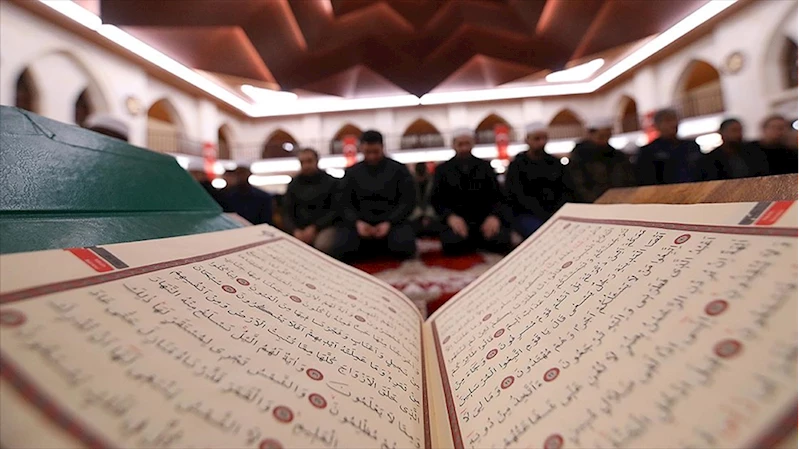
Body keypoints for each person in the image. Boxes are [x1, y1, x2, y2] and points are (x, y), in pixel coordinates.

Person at [330, 130, 417, 261]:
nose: (372, 157)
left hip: (392, 223)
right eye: (368, 152)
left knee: (405, 246)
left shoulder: (399, 169)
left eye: (375, 152)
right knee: (340, 248)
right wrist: (357, 222)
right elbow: (343, 202)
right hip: (360, 224)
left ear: (382, 147)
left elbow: (407, 201)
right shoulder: (352, 172)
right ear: (361, 149)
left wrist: (389, 222)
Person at [430, 128, 512, 255]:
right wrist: (450, 217)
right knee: (452, 243)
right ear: (453, 145)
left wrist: (493, 217)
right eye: (460, 144)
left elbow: (498, 196)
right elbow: (437, 200)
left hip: (484, 219)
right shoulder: (442, 170)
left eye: (467, 144)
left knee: (502, 240)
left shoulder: (485, 167)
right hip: (457, 220)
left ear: (473, 144)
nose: (464, 148)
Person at [506, 122, 574, 238]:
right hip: (528, 214)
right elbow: (517, 195)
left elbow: (565, 189)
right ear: (527, 140)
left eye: (544, 138)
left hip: (555, 212)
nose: (541, 142)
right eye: (537, 139)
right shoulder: (517, 165)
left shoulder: (554, 163)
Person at [282, 148, 339, 254]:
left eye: (309, 161)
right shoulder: (293, 184)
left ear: (317, 161)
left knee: (323, 245)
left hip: (324, 227)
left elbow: (335, 210)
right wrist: (295, 230)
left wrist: (315, 227)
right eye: (302, 162)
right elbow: (287, 212)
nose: (306, 165)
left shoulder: (330, 182)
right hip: (299, 229)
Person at [569, 119, 636, 202]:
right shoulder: (579, 157)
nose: (605, 140)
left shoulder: (618, 156)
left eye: (607, 136)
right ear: (590, 134)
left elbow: (628, 179)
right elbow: (578, 185)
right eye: (601, 136)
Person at [635, 108, 702, 185]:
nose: (673, 124)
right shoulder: (648, 151)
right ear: (658, 125)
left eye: (675, 119)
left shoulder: (691, 146)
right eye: (668, 121)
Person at [698, 118, 769, 181]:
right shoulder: (710, 159)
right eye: (734, 130)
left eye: (740, 130)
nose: (738, 134)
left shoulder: (753, 153)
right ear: (721, 132)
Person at [409, 162, 438, 236]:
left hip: (431, 211)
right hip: (415, 213)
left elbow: (434, 200)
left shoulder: (433, 181)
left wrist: (427, 215)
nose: (421, 179)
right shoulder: (410, 182)